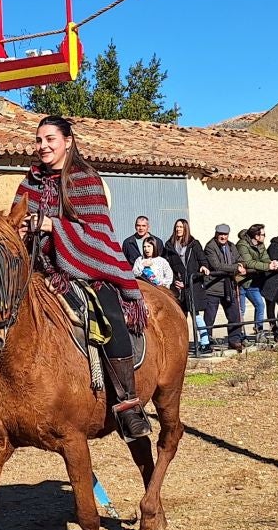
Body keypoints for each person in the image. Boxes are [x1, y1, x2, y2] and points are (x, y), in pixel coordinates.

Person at [15, 115, 151, 438]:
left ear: (68, 141)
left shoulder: (85, 179)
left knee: (112, 313)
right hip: (39, 270)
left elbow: (98, 234)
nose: (43, 146)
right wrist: (19, 228)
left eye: (50, 139)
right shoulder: (29, 182)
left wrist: (52, 225)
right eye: (39, 140)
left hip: (87, 271)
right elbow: (16, 219)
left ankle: (127, 404)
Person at [198, 225, 245, 353]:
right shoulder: (210, 246)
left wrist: (240, 264)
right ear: (216, 234)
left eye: (225, 234)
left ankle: (234, 340)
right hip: (213, 286)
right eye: (221, 234)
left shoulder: (231, 246)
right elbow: (217, 266)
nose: (223, 237)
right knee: (210, 316)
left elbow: (240, 259)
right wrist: (236, 268)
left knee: (234, 313)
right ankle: (207, 341)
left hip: (228, 284)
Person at [162, 219, 206, 350]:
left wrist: (204, 267)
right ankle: (182, 344)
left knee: (195, 314)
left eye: (181, 227)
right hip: (178, 286)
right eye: (176, 227)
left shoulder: (194, 244)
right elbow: (167, 265)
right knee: (180, 315)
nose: (178, 229)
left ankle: (205, 342)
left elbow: (202, 259)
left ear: (185, 228)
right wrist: (175, 280)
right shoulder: (169, 245)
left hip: (192, 285)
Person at [236, 225, 273, 340]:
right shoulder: (242, 244)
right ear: (256, 236)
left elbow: (265, 258)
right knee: (240, 310)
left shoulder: (261, 245)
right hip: (242, 281)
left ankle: (259, 331)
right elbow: (248, 263)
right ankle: (240, 335)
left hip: (253, 281)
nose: (264, 236)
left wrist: (272, 264)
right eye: (263, 234)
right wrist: (267, 266)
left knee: (260, 305)